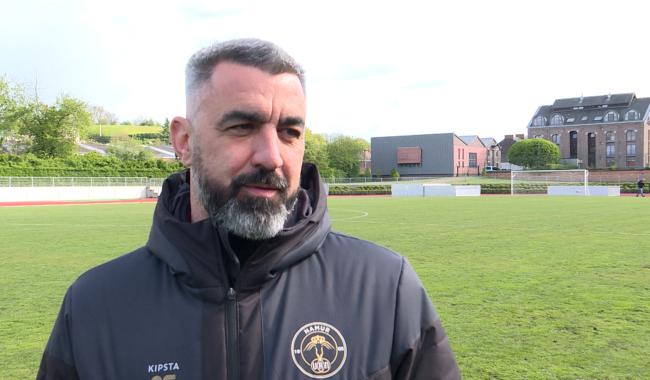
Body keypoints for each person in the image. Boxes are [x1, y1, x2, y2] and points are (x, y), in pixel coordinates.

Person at [38, 39, 460, 380]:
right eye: (242, 127)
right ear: (184, 142)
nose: (271, 156)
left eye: (290, 132)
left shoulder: (385, 289)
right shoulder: (95, 305)